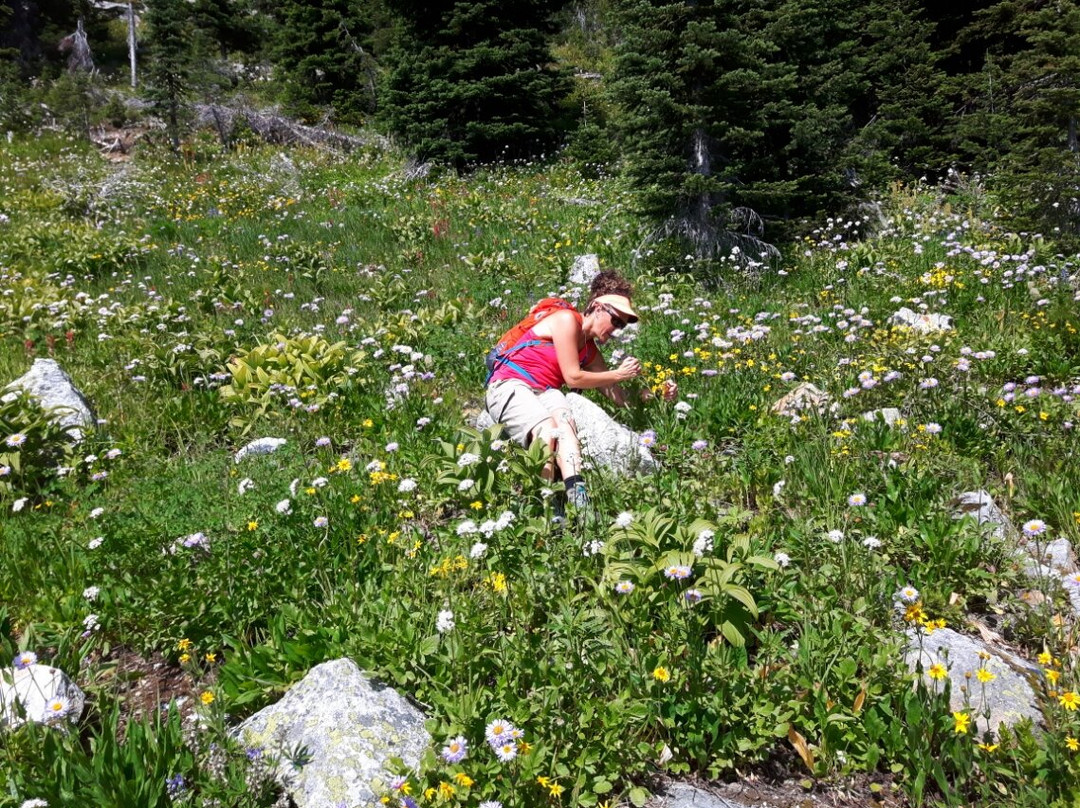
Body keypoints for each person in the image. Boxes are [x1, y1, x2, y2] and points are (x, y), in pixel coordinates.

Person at [484, 272, 652, 513]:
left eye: (623, 326)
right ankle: (547, 502)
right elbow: (573, 377)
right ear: (596, 307)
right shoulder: (565, 320)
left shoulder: (590, 352)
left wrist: (653, 395)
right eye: (616, 321)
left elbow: (617, 397)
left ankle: (578, 498)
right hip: (509, 384)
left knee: (565, 428)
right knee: (545, 427)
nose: (617, 330)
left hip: (544, 391)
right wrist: (618, 373)